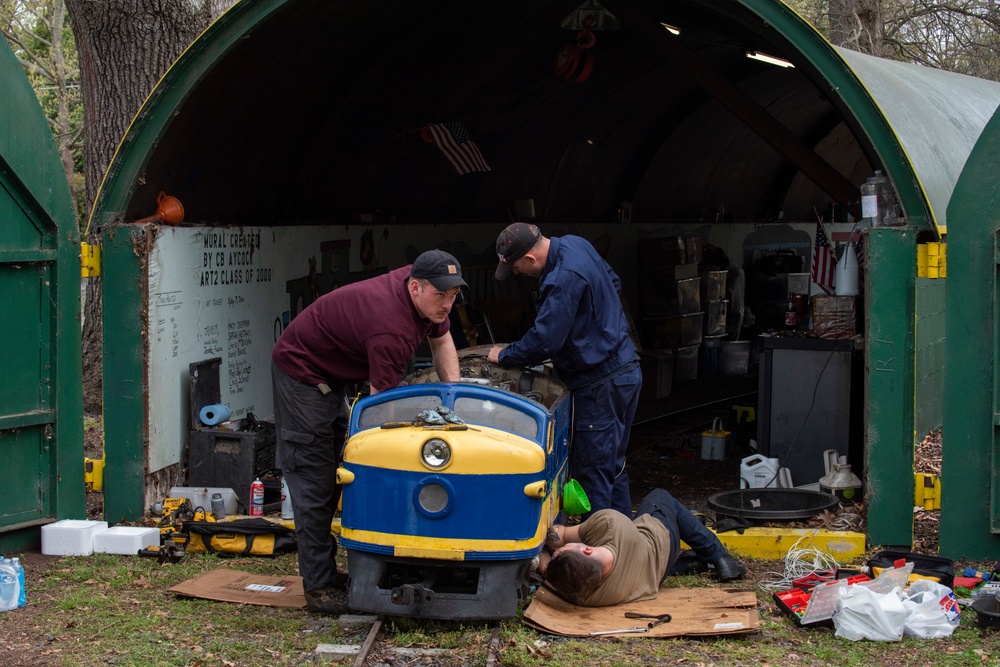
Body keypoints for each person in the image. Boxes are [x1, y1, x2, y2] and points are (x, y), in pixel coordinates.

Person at [271, 249, 467, 615]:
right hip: (302, 376)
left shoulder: (430, 295)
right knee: (315, 478)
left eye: (454, 295)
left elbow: (442, 342)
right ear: (414, 287)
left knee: (334, 471)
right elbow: (383, 413)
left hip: (334, 379)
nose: (448, 304)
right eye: (441, 295)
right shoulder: (390, 326)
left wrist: (454, 406)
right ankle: (319, 587)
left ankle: (330, 571)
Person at [488, 222, 640, 517]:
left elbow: (545, 341)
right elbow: (614, 282)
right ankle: (620, 544)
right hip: (625, 370)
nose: (518, 273)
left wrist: (505, 354)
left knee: (592, 476)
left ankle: (596, 555)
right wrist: (597, 329)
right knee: (613, 467)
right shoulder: (576, 243)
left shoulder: (560, 279)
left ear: (530, 259)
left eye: (517, 267)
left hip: (599, 385)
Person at [538, 488, 746, 607]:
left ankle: (692, 563)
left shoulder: (582, 594)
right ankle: (720, 558)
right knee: (662, 497)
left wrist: (535, 547)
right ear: (587, 550)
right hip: (663, 541)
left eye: (557, 553)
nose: (557, 551)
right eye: (561, 553)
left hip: (656, 575)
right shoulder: (611, 524)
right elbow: (562, 535)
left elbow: (546, 568)